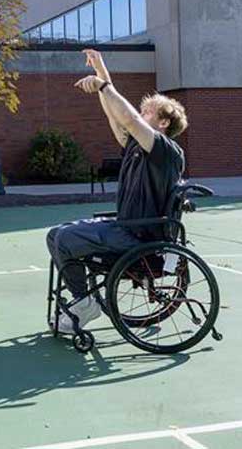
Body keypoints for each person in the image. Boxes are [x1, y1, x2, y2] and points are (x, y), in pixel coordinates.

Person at [45, 50, 188, 334]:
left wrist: (103, 85)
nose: (139, 113)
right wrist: (102, 71)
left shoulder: (165, 151)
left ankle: (84, 303)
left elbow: (130, 119)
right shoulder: (138, 146)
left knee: (64, 238)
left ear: (163, 123)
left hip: (139, 236)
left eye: (147, 112)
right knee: (55, 234)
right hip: (125, 227)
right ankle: (84, 300)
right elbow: (118, 115)